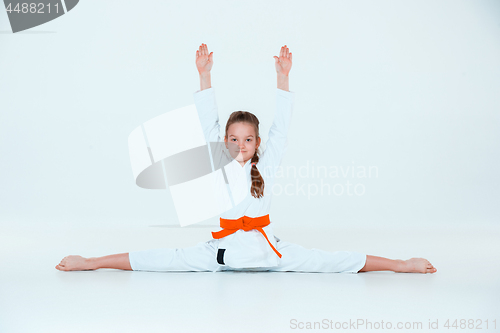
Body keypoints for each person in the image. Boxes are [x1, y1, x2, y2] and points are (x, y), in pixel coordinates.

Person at [56, 43, 437, 274]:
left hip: (270, 251)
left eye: (248, 139)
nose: (241, 144)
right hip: (218, 254)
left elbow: (282, 130)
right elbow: (208, 122)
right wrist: (204, 76)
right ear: (225, 141)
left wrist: (283, 79)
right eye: (234, 138)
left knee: (334, 260)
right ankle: (89, 262)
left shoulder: (265, 168)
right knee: (158, 257)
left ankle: (402, 265)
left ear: (256, 143)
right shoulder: (217, 162)